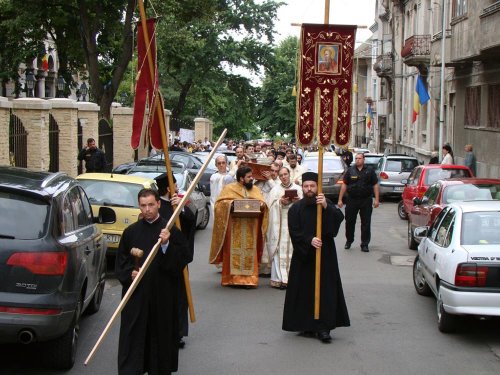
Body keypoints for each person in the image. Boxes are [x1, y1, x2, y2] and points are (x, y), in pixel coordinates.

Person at [115, 188, 189, 375]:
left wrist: (166, 245)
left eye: (150, 205)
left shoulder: (170, 230)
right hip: (137, 297)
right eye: (143, 205)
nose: (147, 209)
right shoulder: (130, 232)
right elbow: (121, 262)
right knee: (134, 338)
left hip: (162, 295)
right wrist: (129, 274)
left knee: (160, 339)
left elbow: (182, 259)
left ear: (158, 204)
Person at [282, 172, 349, 343]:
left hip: (325, 255)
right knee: (304, 290)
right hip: (304, 256)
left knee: (325, 290)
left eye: (312, 186)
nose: (309, 189)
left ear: (318, 187)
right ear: (302, 188)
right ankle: (307, 324)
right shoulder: (296, 208)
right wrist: (309, 239)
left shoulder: (325, 204)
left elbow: (338, 219)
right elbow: (294, 231)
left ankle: (324, 327)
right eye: (306, 186)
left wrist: (327, 206)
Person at [154, 173, 196, 349]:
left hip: (178, 260)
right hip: (162, 261)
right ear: (168, 188)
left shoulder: (179, 202)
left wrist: (181, 209)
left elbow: (191, 221)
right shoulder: (157, 207)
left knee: (179, 297)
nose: (177, 187)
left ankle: (178, 333)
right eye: (175, 184)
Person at [209, 166, 269, 288]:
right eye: (249, 177)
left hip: (251, 227)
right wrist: (231, 204)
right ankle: (231, 279)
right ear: (241, 178)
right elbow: (219, 205)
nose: (252, 179)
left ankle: (249, 280)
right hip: (234, 228)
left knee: (249, 252)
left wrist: (262, 206)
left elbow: (263, 204)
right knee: (232, 252)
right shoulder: (229, 189)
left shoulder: (255, 189)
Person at [266, 167, 303, 289]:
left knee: (293, 250)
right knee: (278, 250)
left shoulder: (298, 189)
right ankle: (279, 279)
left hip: (295, 223)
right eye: (281, 175)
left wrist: (298, 202)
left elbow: (305, 206)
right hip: (279, 223)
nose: (283, 177)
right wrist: (280, 202)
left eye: (285, 174)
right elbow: (269, 207)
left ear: (289, 174)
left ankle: (292, 279)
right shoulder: (275, 190)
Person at [338, 153, 380, 252]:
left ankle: (364, 244)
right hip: (352, 199)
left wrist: (377, 199)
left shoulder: (369, 171)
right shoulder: (350, 170)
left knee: (366, 222)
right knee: (349, 221)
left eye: (359, 158)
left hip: (366, 200)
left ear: (363, 159)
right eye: (356, 158)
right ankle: (349, 240)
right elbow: (344, 184)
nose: (357, 160)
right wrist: (340, 199)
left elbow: (375, 185)